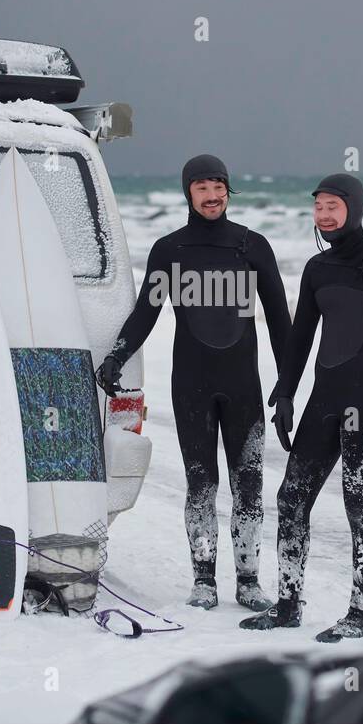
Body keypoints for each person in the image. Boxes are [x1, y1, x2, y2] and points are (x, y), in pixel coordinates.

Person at [96, 154, 291, 610]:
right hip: (191, 386)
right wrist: (117, 356)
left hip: (243, 385)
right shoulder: (170, 250)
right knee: (200, 483)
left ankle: (248, 580)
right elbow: (147, 310)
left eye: (219, 186)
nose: (213, 195)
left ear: (228, 191)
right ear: (188, 192)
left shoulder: (253, 246)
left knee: (248, 484)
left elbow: (283, 324)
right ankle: (204, 580)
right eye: (203, 187)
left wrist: (287, 388)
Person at [240, 173, 363, 641]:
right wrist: (286, 391)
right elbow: (301, 337)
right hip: (324, 402)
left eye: (333, 206)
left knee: (362, 508)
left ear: (354, 208)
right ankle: (288, 603)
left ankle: (362, 613)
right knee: (291, 499)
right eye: (318, 207)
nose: (325, 215)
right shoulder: (318, 269)